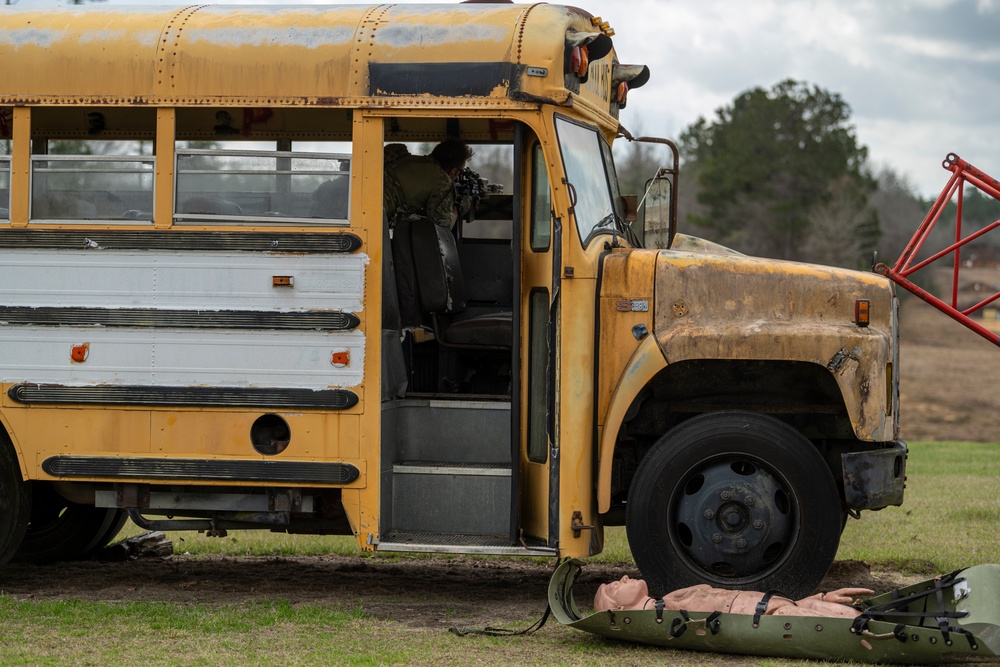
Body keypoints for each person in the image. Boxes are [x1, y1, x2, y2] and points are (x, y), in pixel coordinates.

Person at [594, 575, 874, 620]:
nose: (625, 578)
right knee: (856, 624)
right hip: (775, 616)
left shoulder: (669, 599)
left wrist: (814, 598)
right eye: (616, 585)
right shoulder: (666, 611)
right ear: (618, 607)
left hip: (779, 606)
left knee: (855, 616)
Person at [383, 138, 473, 229]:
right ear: (453, 171)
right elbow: (442, 225)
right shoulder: (442, 180)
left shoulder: (406, 160)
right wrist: (459, 207)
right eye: (460, 172)